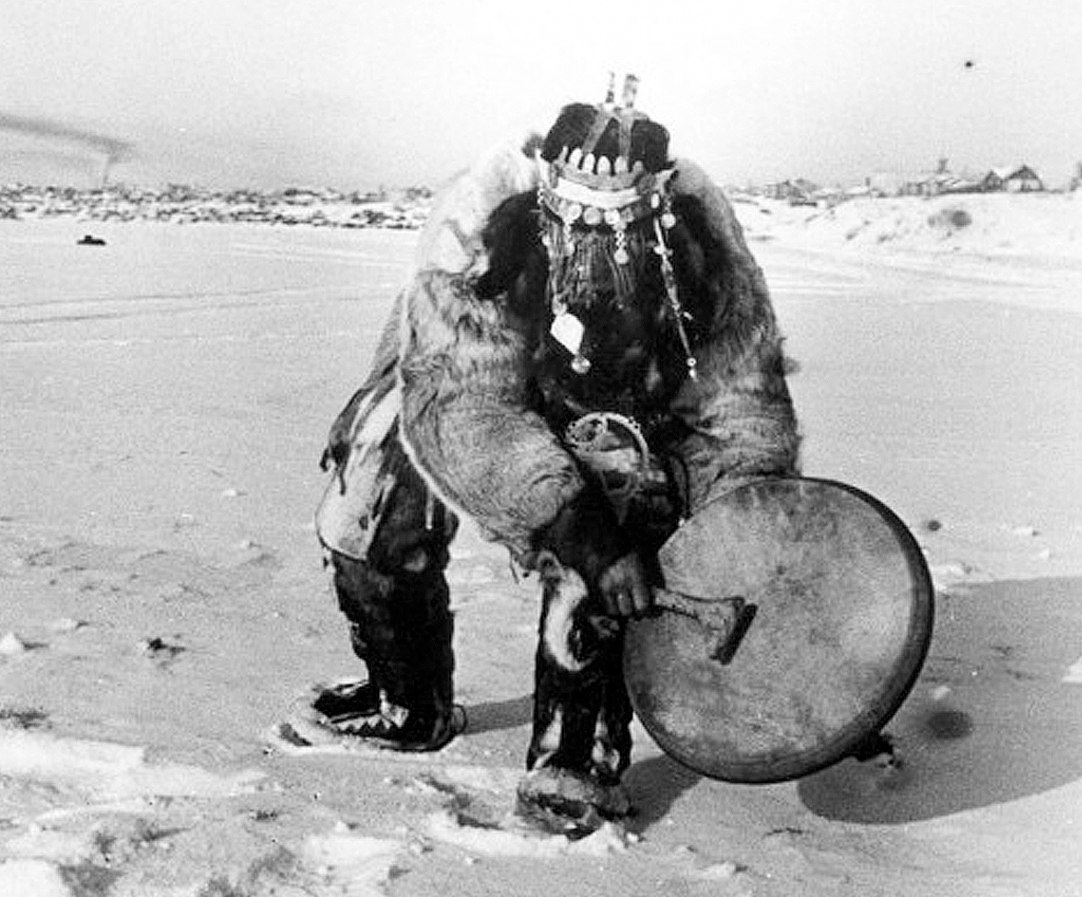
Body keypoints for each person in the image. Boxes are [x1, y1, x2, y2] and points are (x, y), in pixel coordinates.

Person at [314, 76, 800, 826]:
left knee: (624, 505)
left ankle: (576, 752)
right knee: (368, 504)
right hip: (454, 383)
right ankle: (406, 701)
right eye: (573, 213)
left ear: (658, 196)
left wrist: (734, 537)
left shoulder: (706, 251)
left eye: (619, 219)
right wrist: (575, 526)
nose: (593, 236)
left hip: (627, 405)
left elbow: (739, 409)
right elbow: (470, 407)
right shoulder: (474, 238)